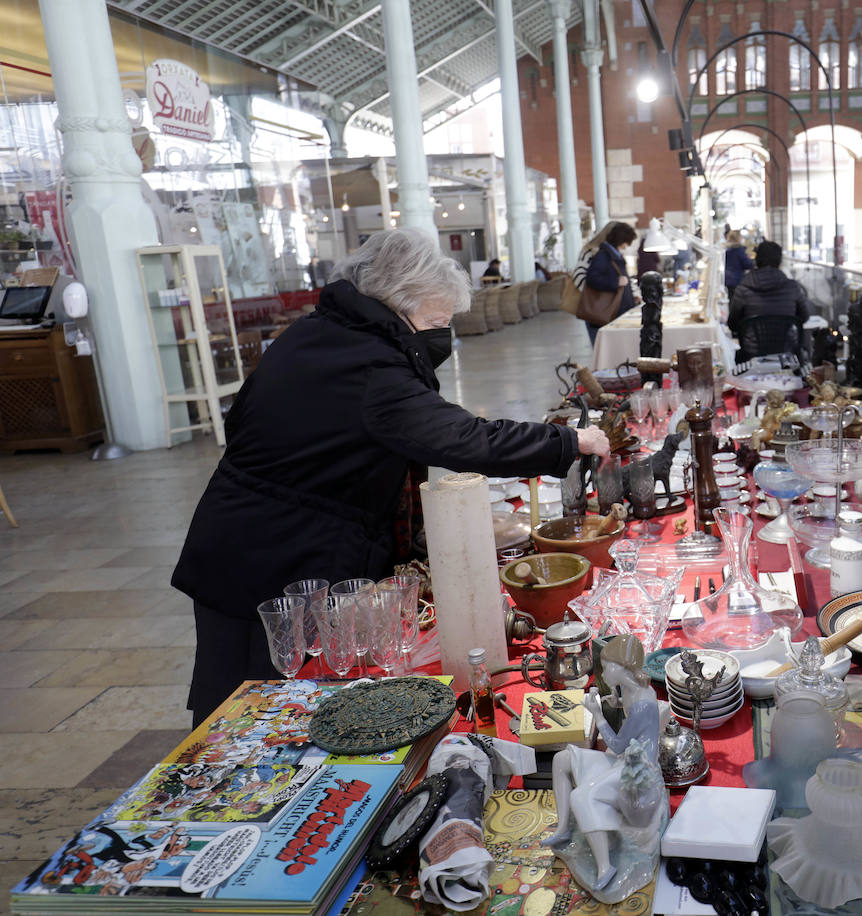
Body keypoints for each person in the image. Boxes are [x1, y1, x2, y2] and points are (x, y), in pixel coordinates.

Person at [172, 229, 610, 723]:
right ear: (399, 305)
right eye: (435, 321)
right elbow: (461, 438)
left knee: (252, 692)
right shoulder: (370, 365)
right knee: (251, 710)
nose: (441, 335)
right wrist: (569, 443)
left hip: (249, 541)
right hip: (270, 560)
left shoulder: (317, 335)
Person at [543, 635, 666, 890]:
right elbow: (627, 716)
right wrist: (615, 702)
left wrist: (597, 714)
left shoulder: (644, 703)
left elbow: (619, 744)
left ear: (625, 668)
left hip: (636, 769)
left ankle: (605, 867)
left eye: (609, 666)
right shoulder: (633, 690)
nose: (604, 672)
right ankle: (564, 828)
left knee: (582, 796)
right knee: (561, 759)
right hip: (623, 759)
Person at [727, 240, 810, 365]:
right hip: (786, 351)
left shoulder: (743, 289)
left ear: (757, 260)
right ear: (780, 261)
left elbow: (733, 324)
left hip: (751, 354)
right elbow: (804, 317)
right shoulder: (792, 287)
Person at [581, 221, 637, 343]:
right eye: (626, 242)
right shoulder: (604, 256)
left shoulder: (614, 255)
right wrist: (616, 282)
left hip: (616, 311)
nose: (626, 246)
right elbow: (592, 279)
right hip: (609, 312)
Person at [723, 229, 754, 301]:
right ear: (738, 238)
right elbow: (747, 264)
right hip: (737, 279)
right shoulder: (739, 250)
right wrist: (751, 260)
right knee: (738, 301)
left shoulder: (726, 250)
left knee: (731, 300)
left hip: (727, 279)